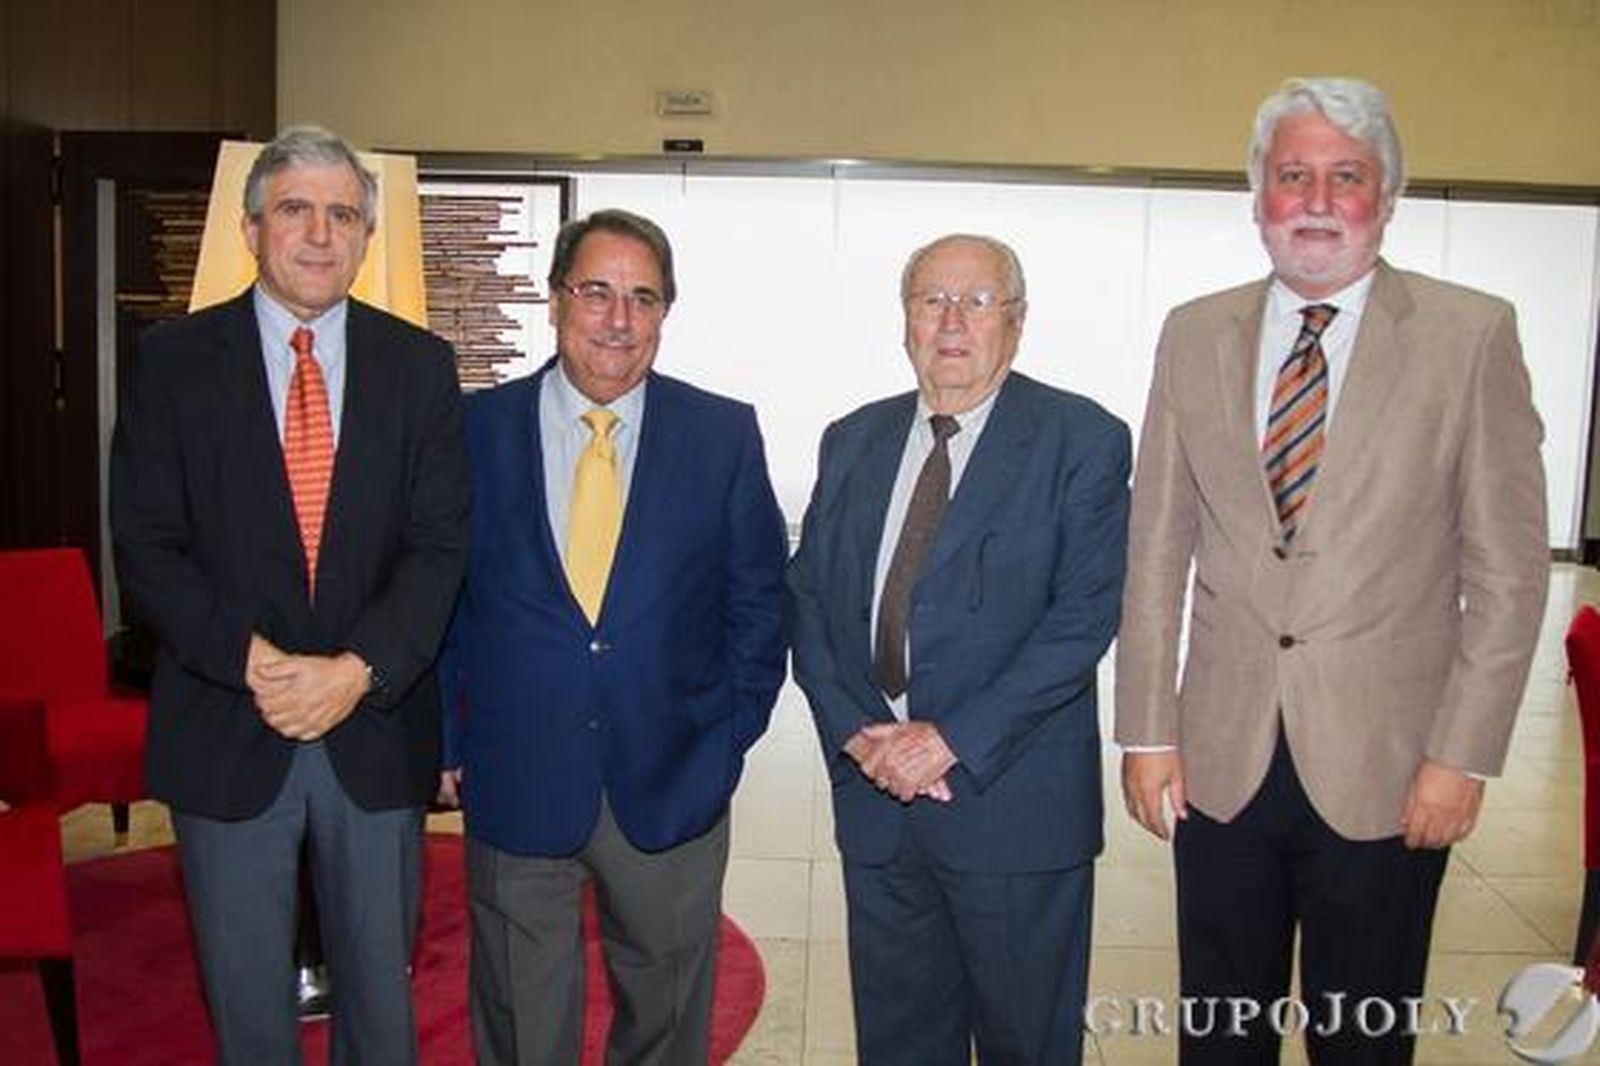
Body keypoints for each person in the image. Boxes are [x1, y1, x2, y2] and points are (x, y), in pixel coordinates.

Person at [1115, 77, 1549, 1064]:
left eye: (1345, 177)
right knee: (1219, 1033)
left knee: (1362, 1036)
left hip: (1391, 767)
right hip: (1218, 761)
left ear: (1386, 197)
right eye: (1292, 176)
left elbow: (1511, 572)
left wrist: (1461, 755)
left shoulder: (1470, 335)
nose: (1316, 201)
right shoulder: (1194, 331)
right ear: (1258, 196)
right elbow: (1156, 546)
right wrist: (1146, 730)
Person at [110, 126, 469, 1064]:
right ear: (250, 228)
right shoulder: (174, 362)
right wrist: (255, 663)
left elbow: (440, 547)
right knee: (246, 1006)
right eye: (296, 210)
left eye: (343, 214)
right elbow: (147, 544)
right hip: (228, 721)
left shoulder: (420, 366)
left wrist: (356, 670)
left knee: (380, 1008)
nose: (320, 233)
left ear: (366, 237)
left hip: (374, 730)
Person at [437, 208, 788, 1065]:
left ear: (666, 311)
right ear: (556, 300)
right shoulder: (474, 431)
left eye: (644, 298)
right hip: (515, 773)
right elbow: (438, 599)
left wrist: (724, 737)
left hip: (672, 778)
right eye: (596, 292)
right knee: (522, 1020)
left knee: (667, 1017)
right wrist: (444, 738)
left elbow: (760, 603)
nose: (619, 320)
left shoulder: (721, 434)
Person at [788, 234, 1131, 1065]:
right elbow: (807, 601)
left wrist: (949, 740)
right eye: (930, 300)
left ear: (1016, 321)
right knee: (900, 1044)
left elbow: (1082, 618)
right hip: (877, 805)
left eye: (976, 302)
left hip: (1012, 810)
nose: (951, 321)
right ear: (904, 319)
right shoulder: (853, 439)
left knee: (1027, 1045)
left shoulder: (1081, 438)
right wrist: (855, 734)